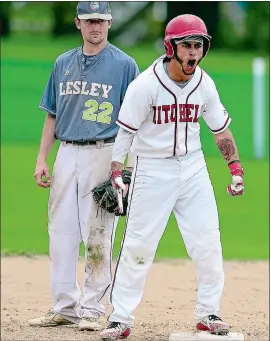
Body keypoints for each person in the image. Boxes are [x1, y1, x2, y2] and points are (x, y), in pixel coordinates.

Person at [100, 14, 244, 341]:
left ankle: (208, 312)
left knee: (208, 241)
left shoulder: (204, 83)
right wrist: (117, 171)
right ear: (171, 47)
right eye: (187, 45)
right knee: (139, 245)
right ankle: (120, 318)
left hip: (193, 168)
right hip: (152, 168)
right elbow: (124, 133)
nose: (193, 52)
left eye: (198, 45)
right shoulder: (146, 85)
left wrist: (235, 168)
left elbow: (220, 129)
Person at [29, 1, 139, 331]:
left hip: (105, 152)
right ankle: (65, 306)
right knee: (60, 231)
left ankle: (92, 308)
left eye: (101, 20)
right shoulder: (63, 63)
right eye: (89, 20)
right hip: (66, 152)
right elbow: (52, 114)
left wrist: (127, 167)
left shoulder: (125, 64)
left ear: (110, 23)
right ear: (78, 23)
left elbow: (135, 120)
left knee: (98, 232)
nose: (96, 26)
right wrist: (41, 158)